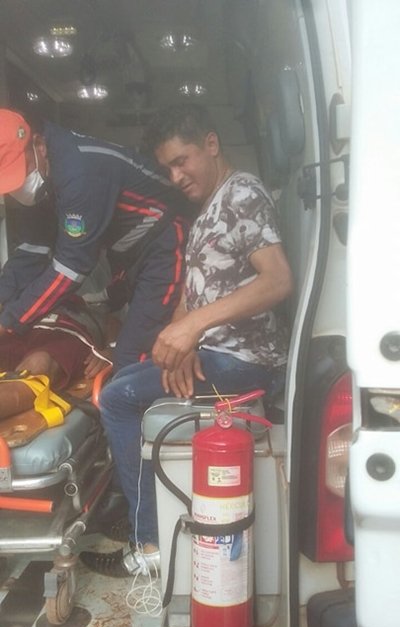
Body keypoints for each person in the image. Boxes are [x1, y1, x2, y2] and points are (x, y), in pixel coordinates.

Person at [79, 102, 293, 578]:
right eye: (167, 168)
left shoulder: (242, 194)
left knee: (117, 399)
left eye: (182, 161)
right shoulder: (208, 209)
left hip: (245, 360)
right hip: (213, 353)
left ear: (211, 145)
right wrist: (182, 340)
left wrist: (193, 327)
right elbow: (194, 292)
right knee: (120, 382)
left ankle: (150, 543)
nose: (175, 177)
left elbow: (277, 279)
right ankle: (146, 511)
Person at [0, 108, 191, 373]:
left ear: (39, 145)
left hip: (164, 243)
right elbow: (32, 250)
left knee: (129, 359)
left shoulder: (79, 172)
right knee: (121, 337)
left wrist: (9, 322)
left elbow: (71, 267)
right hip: (126, 254)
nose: (19, 189)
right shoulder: (45, 175)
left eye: (22, 173)